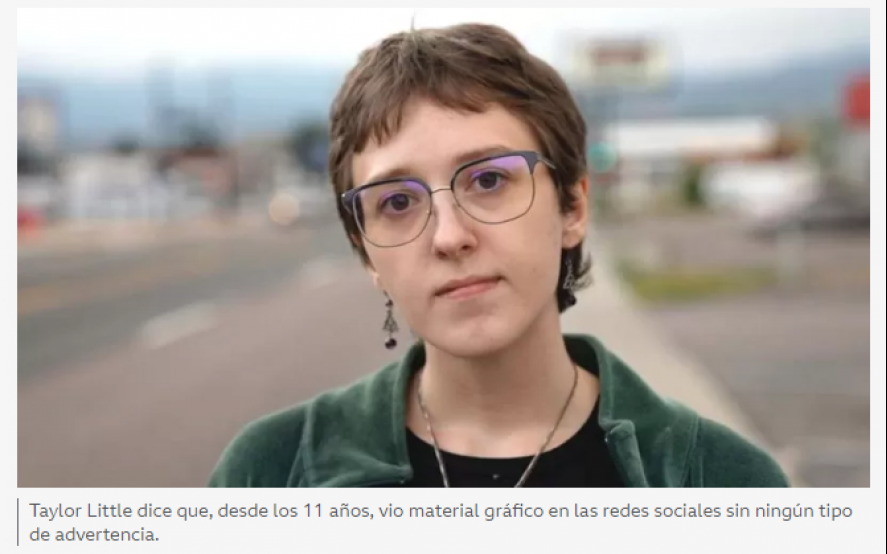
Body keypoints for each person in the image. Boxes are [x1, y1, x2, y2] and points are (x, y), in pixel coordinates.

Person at [208, 22, 789, 488]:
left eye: (488, 180)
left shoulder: (719, 480)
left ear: (572, 207)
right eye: (398, 201)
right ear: (366, 254)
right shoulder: (274, 473)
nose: (448, 236)